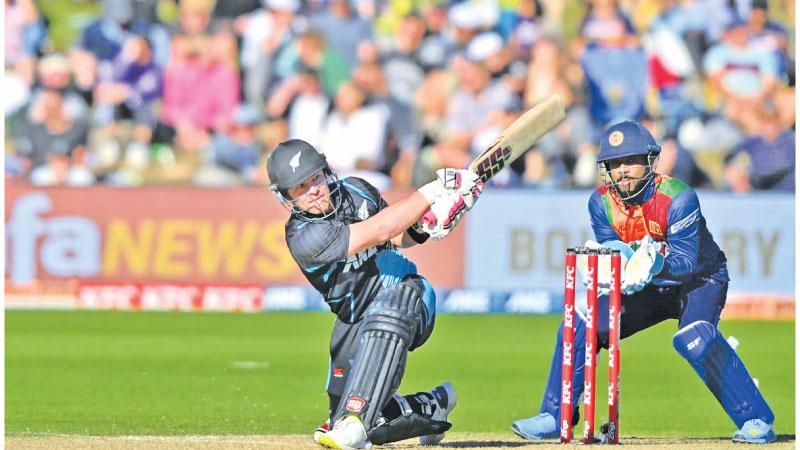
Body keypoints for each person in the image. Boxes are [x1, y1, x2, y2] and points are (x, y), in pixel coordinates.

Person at [511, 121, 776, 444]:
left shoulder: (679, 198)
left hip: (700, 280)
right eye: (614, 164)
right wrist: (613, 269)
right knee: (581, 322)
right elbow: (617, 252)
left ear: (650, 161)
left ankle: (756, 419)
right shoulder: (601, 203)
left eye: (630, 161)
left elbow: (685, 263)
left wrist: (650, 265)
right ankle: (555, 416)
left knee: (694, 339)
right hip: (651, 287)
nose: (622, 171)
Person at [266, 139, 483, 449]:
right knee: (366, 423)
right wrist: (436, 190)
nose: (312, 189)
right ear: (286, 197)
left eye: (314, 178)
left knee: (356, 419)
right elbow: (378, 230)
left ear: (325, 171)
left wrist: (429, 225)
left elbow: (396, 235)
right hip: (354, 321)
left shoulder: (357, 189)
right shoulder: (303, 237)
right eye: (299, 187)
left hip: (410, 296)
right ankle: (432, 403)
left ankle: (357, 423)